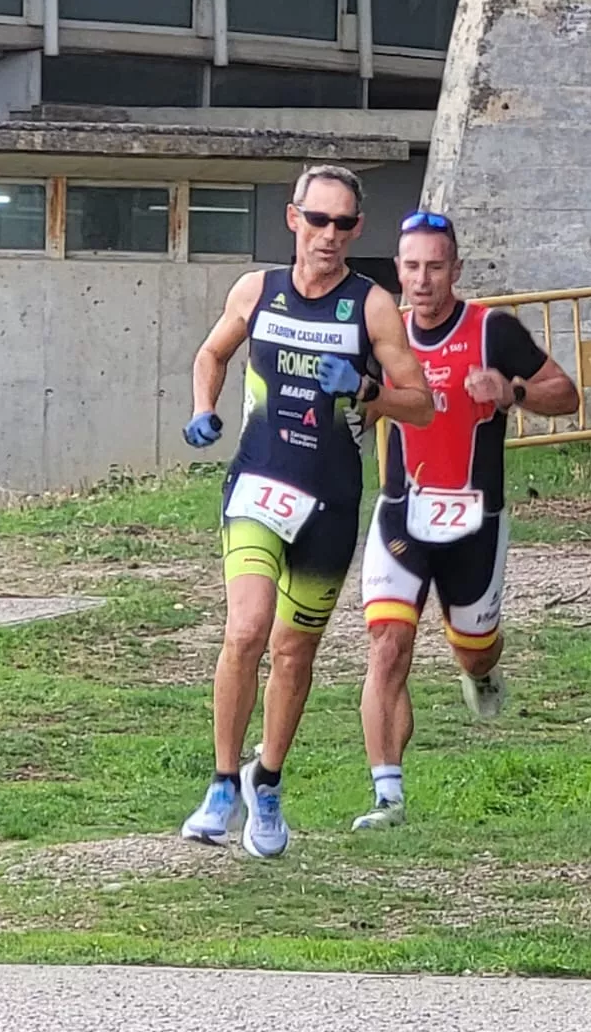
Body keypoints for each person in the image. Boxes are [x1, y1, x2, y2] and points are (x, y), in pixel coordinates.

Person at [179, 164, 434, 857]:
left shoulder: (372, 305)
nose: (329, 235)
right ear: (294, 219)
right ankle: (223, 783)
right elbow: (212, 352)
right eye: (317, 220)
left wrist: (369, 391)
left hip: (329, 498)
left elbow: (424, 403)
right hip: (259, 482)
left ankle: (268, 785)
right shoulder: (257, 290)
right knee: (247, 629)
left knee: (292, 654)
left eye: (344, 223)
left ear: (357, 229)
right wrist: (203, 409)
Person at [351, 211, 579, 830]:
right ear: (398, 269)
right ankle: (388, 795)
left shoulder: (492, 331)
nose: (422, 280)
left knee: (474, 651)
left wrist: (514, 392)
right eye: (412, 266)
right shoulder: (382, 333)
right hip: (401, 512)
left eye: (435, 266)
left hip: (477, 521)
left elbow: (567, 393)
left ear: (455, 269)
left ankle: (481, 672)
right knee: (388, 645)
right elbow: (358, 402)